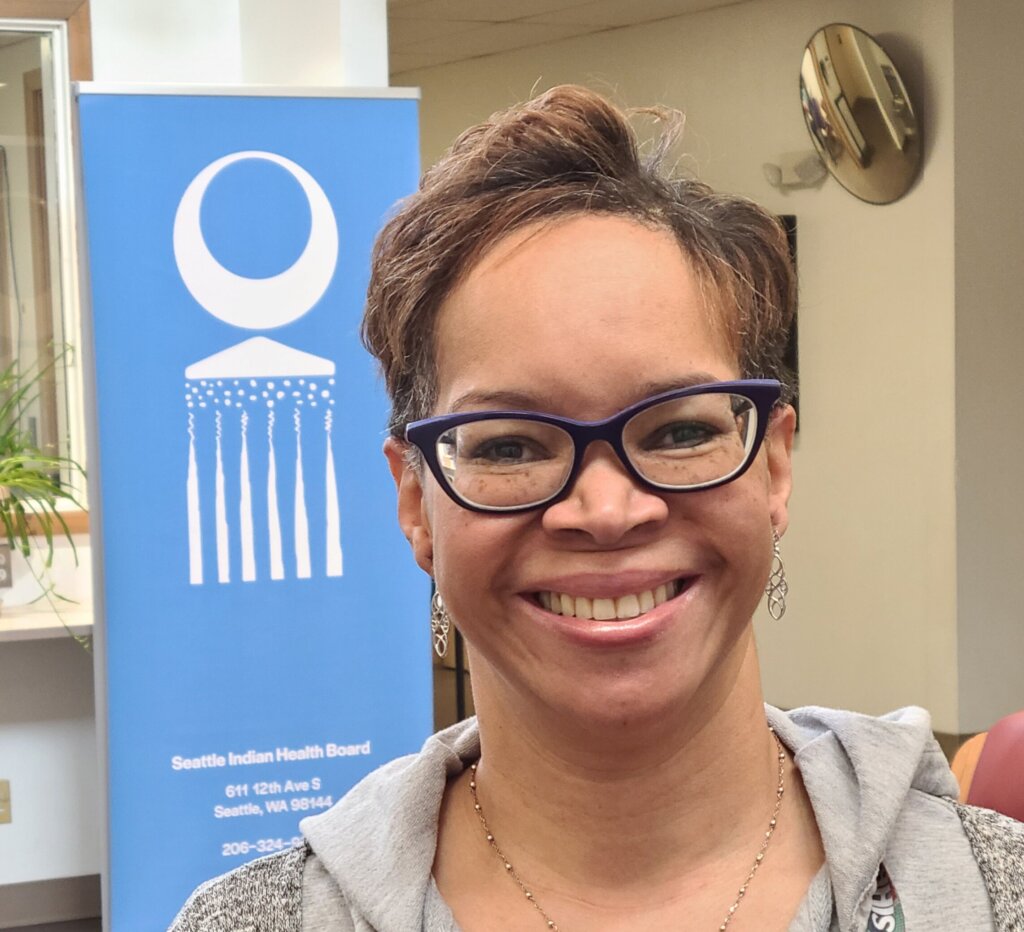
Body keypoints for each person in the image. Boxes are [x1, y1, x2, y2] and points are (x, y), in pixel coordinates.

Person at [171, 86, 1023, 932]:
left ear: (772, 465)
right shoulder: (258, 920)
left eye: (681, 429)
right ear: (416, 503)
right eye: (508, 444)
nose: (608, 510)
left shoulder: (994, 892)